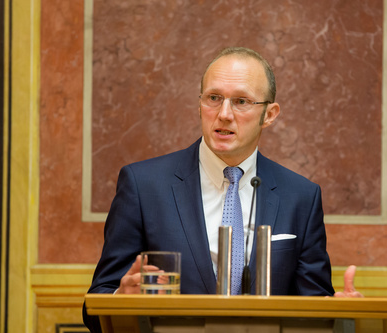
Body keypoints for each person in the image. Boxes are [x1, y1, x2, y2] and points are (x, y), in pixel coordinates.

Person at [83, 47, 362, 331]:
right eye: (214, 98)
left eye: (241, 101)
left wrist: (344, 316)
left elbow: (314, 310)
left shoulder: (301, 197)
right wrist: (122, 298)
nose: (224, 114)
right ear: (200, 103)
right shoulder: (143, 185)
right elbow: (95, 305)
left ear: (270, 114)